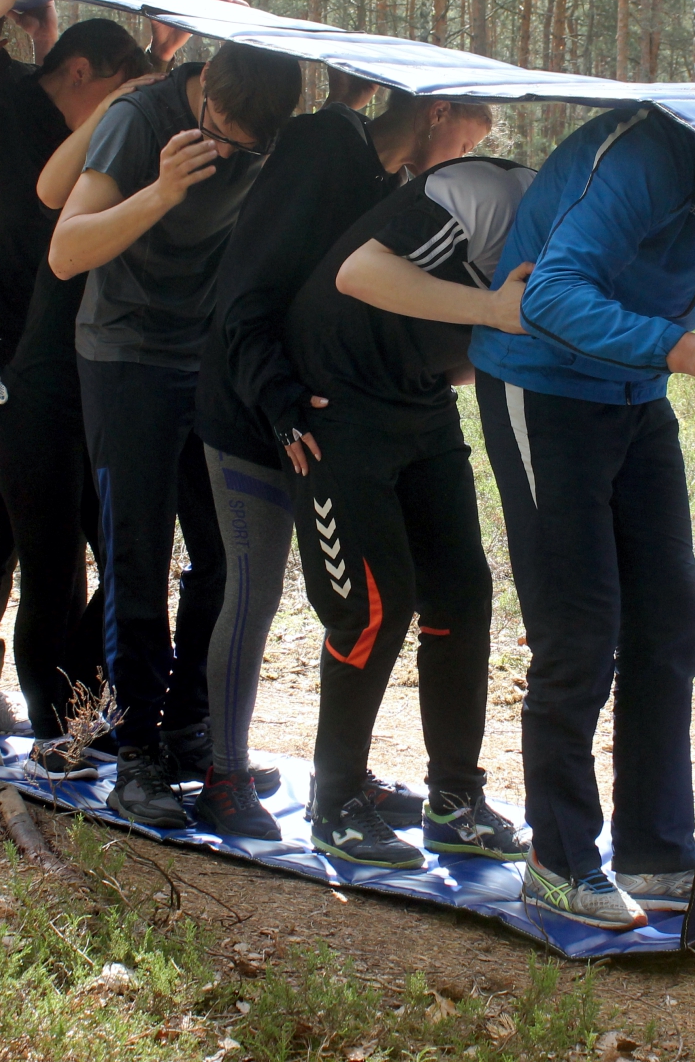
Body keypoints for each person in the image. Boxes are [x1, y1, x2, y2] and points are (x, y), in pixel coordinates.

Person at [466, 105, 695, 931]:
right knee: (578, 636)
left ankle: (656, 850)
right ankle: (557, 862)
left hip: (634, 393)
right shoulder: (650, 160)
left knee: (668, 625)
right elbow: (550, 295)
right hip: (541, 383)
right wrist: (677, 347)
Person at [190, 78, 492, 839]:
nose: (463, 163)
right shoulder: (324, 148)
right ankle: (222, 774)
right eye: (466, 145)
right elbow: (246, 294)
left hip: (335, 401)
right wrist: (282, 403)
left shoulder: (389, 176)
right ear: (437, 112)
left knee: (408, 590)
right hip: (263, 405)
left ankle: (356, 779)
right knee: (256, 588)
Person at [48, 40, 303, 829]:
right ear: (200, 90)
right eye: (219, 129)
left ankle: (189, 726)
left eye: (244, 144)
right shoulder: (139, 115)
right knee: (137, 556)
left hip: (210, 358)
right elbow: (66, 250)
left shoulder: (262, 129)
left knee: (226, 553)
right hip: (126, 353)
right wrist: (159, 190)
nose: (227, 150)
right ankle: (136, 752)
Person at [281, 149, 536, 868]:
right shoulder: (480, 193)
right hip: (334, 406)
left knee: (462, 595)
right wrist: (491, 308)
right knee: (370, 607)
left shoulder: (588, 250)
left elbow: (473, 340)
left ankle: (454, 801)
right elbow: (358, 273)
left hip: (419, 401)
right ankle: (334, 803)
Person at [0, 23, 162, 778]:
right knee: (51, 571)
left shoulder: (151, 182)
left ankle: (83, 714)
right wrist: (128, 94)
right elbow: (55, 179)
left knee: (122, 566)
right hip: (38, 400)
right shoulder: (98, 178)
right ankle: (55, 727)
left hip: (92, 403)